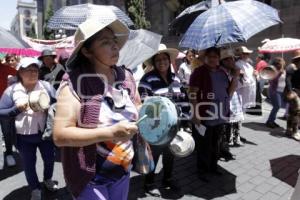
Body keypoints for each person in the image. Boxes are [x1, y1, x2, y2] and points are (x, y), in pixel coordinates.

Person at [53, 18, 140, 200]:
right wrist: (110, 132)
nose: (114, 46)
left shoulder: (126, 77)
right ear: (87, 51)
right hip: (89, 178)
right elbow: (60, 135)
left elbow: (138, 109)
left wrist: (154, 112)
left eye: (114, 41)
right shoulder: (75, 83)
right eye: (105, 42)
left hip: (123, 171)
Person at [0, 57, 58, 200]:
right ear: (20, 72)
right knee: (28, 164)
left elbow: (58, 104)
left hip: (45, 134)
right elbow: (1, 112)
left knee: (49, 159)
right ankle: (35, 189)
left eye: (35, 70)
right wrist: (16, 109)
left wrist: (49, 108)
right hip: (23, 137)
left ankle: (48, 179)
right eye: (28, 70)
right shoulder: (11, 90)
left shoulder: (46, 86)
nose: (33, 73)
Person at [138, 43, 188, 197]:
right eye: (158, 60)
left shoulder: (176, 78)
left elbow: (184, 99)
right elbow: (144, 101)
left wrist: (185, 120)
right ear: (154, 62)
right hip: (156, 126)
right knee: (153, 155)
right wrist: (159, 103)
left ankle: (167, 179)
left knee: (170, 153)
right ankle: (149, 183)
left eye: (164, 59)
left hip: (175, 124)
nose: (162, 62)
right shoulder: (148, 78)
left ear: (168, 60)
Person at [189, 47, 233, 181]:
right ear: (205, 58)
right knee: (204, 145)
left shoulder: (222, 73)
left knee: (216, 143)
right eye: (210, 56)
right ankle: (202, 170)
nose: (213, 59)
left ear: (219, 58)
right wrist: (196, 114)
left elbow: (229, 91)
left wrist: (235, 73)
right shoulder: (198, 72)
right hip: (205, 114)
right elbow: (192, 94)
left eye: (215, 56)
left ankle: (213, 166)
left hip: (220, 114)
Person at [220, 49, 244, 147]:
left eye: (232, 58)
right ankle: (227, 141)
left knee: (237, 120)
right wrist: (235, 76)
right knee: (227, 122)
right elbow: (229, 91)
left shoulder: (231, 70)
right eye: (228, 59)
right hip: (227, 100)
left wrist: (238, 76)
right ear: (223, 61)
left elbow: (241, 85)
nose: (232, 61)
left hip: (235, 99)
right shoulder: (221, 72)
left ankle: (236, 138)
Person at [0, 62, 17, 168]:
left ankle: (9, 153)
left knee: (7, 132)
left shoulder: (4, 68)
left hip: (4, 106)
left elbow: (19, 74)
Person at [266, 57, 286, 128]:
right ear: (276, 64)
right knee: (277, 106)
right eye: (280, 63)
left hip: (281, 91)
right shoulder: (273, 71)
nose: (281, 64)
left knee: (277, 106)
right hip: (274, 91)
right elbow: (271, 80)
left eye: (282, 62)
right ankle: (269, 121)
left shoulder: (283, 70)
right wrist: (279, 74)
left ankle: (272, 120)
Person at [235, 46, 257, 111]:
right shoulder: (237, 64)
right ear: (240, 54)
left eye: (247, 53)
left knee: (243, 108)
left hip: (248, 90)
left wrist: (255, 74)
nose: (247, 55)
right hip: (242, 90)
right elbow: (239, 79)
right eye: (245, 53)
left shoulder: (248, 65)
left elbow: (252, 75)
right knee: (240, 108)